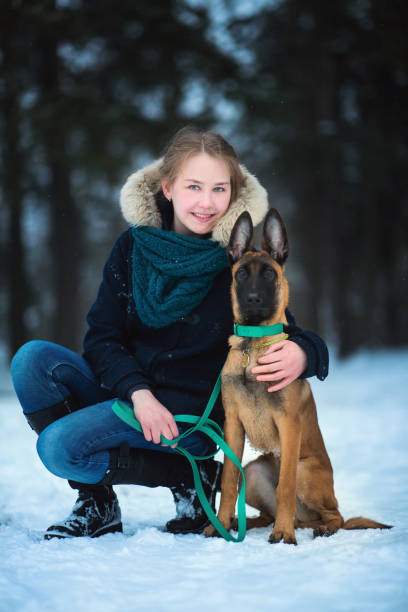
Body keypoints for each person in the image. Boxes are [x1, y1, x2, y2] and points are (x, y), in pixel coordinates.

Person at [10, 126, 328, 539]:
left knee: (59, 449)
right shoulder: (132, 249)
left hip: (189, 420)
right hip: (131, 396)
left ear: (233, 193)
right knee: (33, 361)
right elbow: (102, 338)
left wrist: (305, 353)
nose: (206, 202)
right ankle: (98, 501)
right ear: (168, 188)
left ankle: (192, 473)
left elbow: (291, 330)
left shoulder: (237, 260)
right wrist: (139, 394)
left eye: (219, 189)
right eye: (194, 186)